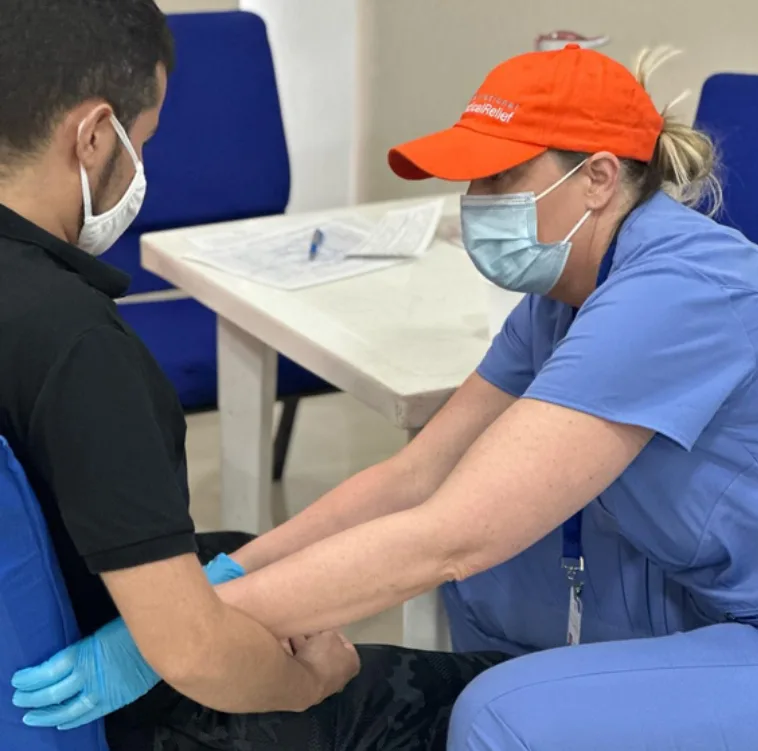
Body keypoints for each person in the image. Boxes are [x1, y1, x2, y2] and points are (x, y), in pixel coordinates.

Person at [14, 41, 758, 751]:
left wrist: (183, 635)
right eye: (473, 176)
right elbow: (414, 476)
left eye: (502, 176)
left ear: (597, 176)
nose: (477, 198)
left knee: (496, 710)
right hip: (704, 586)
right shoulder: (565, 292)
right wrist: (218, 582)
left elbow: (451, 534)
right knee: (488, 579)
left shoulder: (677, 293)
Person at [0, 2, 507, 750]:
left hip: (57, 612)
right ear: (94, 134)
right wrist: (313, 681)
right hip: (142, 711)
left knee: (243, 543)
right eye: (144, 141)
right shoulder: (78, 346)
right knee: (483, 694)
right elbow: (195, 653)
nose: (144, 164)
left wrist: (236, 574)